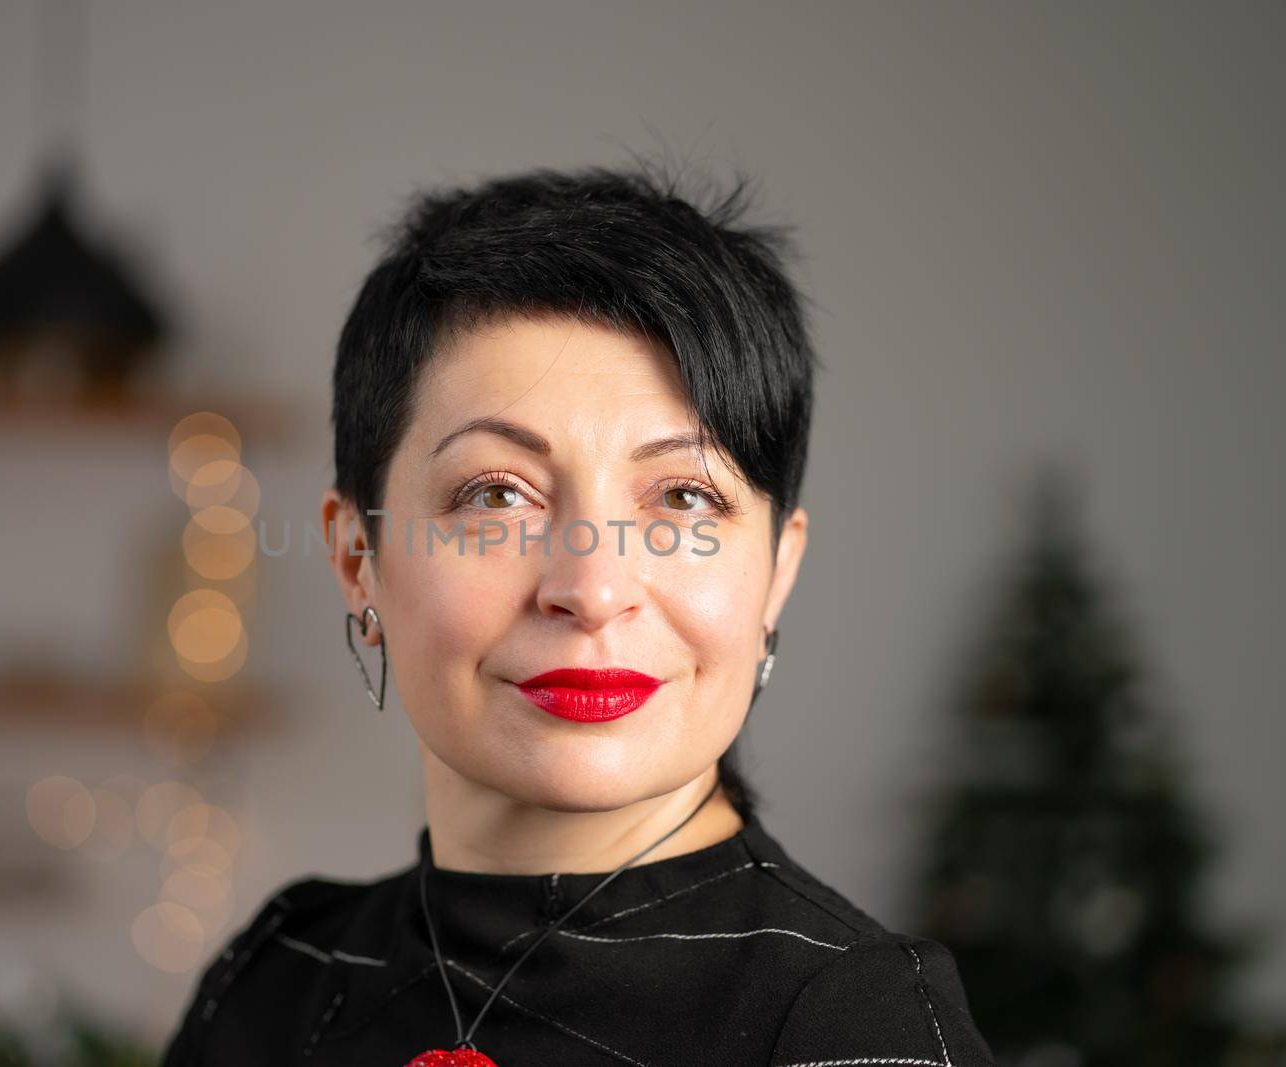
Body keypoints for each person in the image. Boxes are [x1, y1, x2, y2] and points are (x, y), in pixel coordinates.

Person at [158, 163, 996, 1065]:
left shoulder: (858, 1025)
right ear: (358, 557)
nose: (592, 589)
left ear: (777, 570)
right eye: (497, 494)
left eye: (682, 498)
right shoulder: (279, 980)